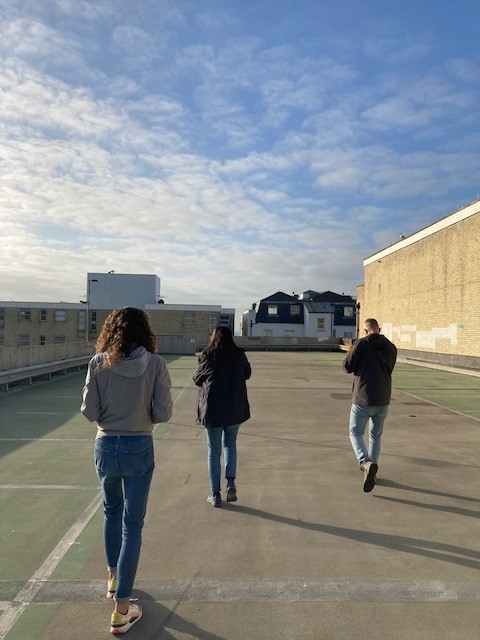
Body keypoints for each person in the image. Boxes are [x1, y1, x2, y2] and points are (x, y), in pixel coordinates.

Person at [81, 307, 172, 635]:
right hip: (139, 446)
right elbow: (163, 412)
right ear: (144, 331)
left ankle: (112, 579)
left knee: (111, 513)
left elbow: (89, 411)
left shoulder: (98, 363)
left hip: (106, 445)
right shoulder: (157, 364)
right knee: (133, 527)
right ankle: (122, 609)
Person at [193, 326, 251, 507]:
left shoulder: (208, 356)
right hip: (234, 407)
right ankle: (231, 482)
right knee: (230, 445)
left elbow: (196, 379)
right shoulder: (239, 355)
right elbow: (247, 373)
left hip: (213, 409)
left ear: (213, 337)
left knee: (213, 451)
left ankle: (215, 493)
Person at [343, 318, 397, 493]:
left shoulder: (361, 344)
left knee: (355, 432)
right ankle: (371, 473)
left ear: (365, 331)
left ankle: (365, 462)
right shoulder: (391, 347)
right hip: (383, 397)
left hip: (363, 397)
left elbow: (347, 367)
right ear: (378, 329)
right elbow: (390, 368)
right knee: (375, 436)